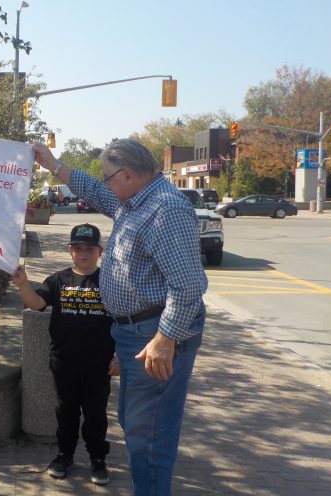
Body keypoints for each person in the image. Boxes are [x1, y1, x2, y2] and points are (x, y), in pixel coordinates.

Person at [32, 139, 208, 496]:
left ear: (128, 174)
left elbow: (188, 286)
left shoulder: (165, 209)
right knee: (136, 422)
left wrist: (165, 339)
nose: (106, 185)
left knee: (149, 431)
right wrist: (53, 164)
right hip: (135, 331)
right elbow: (95, 191)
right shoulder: (135, 201)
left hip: (153, 335)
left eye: (110, 177)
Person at [12, 223, 117, 486]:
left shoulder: (111, 283)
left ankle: (97, 459)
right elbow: (36, 304)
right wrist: (23, 285)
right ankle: (64, 454)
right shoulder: (57, 280)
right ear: (70, 250)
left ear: (99, 251)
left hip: (99, 364)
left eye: (89, 248)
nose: (83, 253)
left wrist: (121, 357)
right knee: (66, 411)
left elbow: (124, 323)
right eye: (78, 248)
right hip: (64, 361)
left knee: (95, 414)